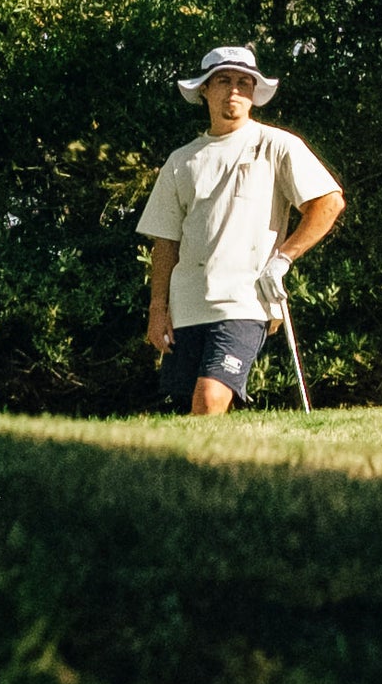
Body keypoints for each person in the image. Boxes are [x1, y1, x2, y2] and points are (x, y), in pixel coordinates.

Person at [135, 43, 341, 415]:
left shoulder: (276, 145)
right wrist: (157, 308)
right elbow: (165, 241)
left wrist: (284, 259)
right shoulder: (181, 160)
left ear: (254, 93)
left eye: (244, 82)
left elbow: (328, 203)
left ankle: (209, 470)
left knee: (210, 396)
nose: (234, 90)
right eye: (224, 81)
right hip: (188, 307)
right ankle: (211, 472)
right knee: (189, 408)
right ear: (204, 90)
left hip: (246, 300)